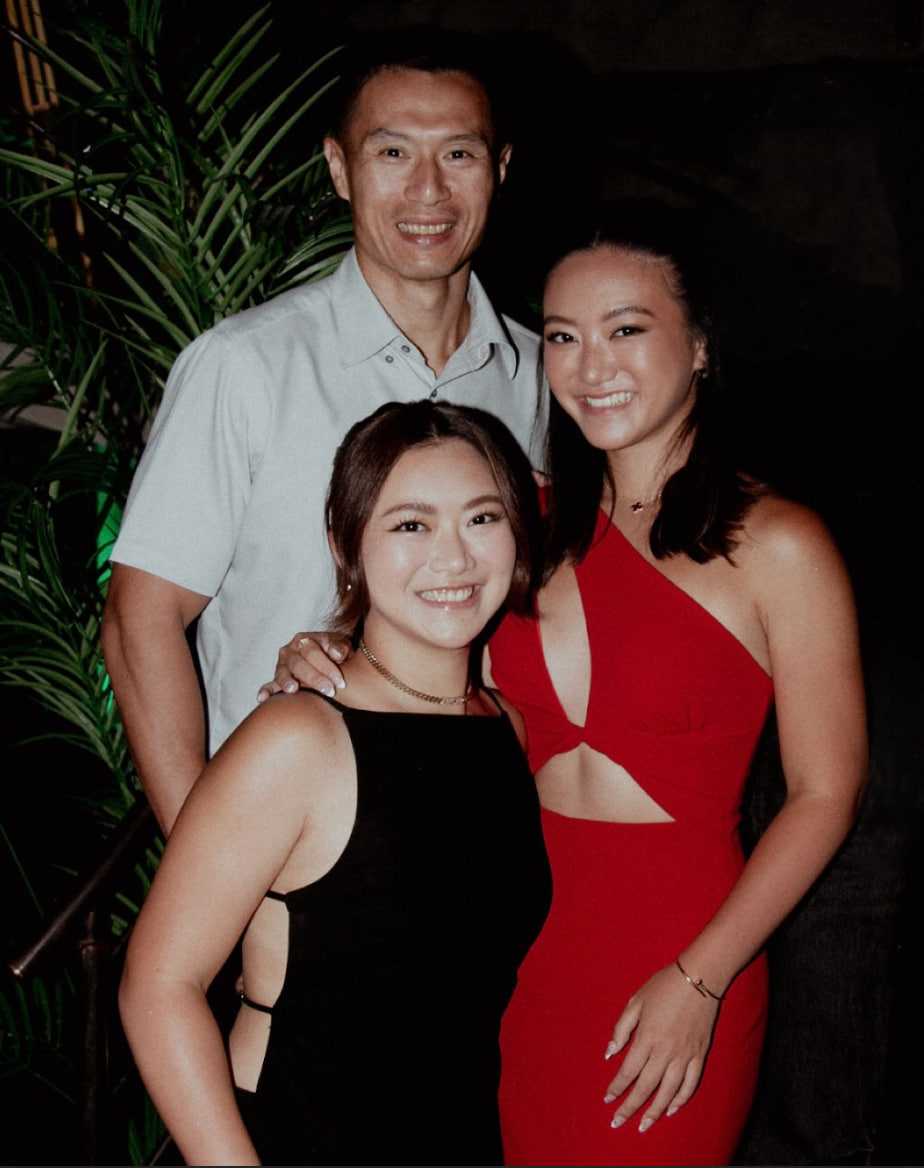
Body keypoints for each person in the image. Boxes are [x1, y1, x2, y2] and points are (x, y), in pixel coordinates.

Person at [268, 219, 868, 1166]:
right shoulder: (526, 524)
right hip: (508, 935)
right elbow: (444, 689)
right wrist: (324, 654)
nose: (591, 365)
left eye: (626, 329)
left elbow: (828, 792)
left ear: (701, 343)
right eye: (561, 335)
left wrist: (700, 981)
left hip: (681, 945)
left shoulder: (780, 544)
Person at [101, 30, 546, 834]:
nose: (427, 191)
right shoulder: (244, 368)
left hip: (488, 827)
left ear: (500, 169)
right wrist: (213, 866)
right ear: (339, 169)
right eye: (391, 153)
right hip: (300, 842)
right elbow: (141, 622)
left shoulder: (539, 378)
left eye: (459, 155)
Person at [118, 400, 552, 1167]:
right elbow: (159, 987)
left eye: (481, 518)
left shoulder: (504, 730)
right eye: (410, 525)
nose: (452, 558)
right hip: (293, 1140)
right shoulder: (298, 738)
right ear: (344, 542)